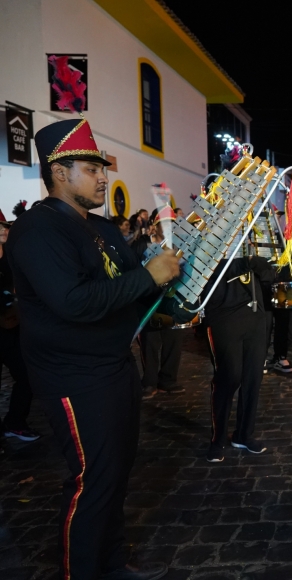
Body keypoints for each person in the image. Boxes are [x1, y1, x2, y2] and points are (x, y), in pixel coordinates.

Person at [7, 118, 183, 580]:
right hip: (74, 376)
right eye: (91, 168)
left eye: (102, 168)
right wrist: (149, 277)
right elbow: (73, 302)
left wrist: (168, 302)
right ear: (58, 172)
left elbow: (131, 290)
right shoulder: (38, 230)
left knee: (115, 476)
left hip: (115, 366)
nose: (103, 176)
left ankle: (112, 564)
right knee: (92, 482)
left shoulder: (101, 227)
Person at [204, 251, 275, 462]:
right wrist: (247, 263)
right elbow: (209, 272)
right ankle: (218, 440)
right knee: (229, 377)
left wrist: (264, 265)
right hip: (224, 318)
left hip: (254, 317)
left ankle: (244, 434)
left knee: (253, 378)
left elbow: (267, 276)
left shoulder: (251, 239)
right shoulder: (209, 240)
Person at [136, 207, 187, 398]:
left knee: (173, 341)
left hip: (171, 300)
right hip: (149, 302)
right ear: (154, 226)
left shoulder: (178, 247)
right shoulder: (142, 245)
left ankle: (168, 379)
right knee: (150, 342)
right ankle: (149, 382)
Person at [0, 213, 39, 442]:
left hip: (12, 326)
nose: (4, 230)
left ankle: (15, 421)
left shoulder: (11, 256)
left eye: (5, 226)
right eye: (0, 227)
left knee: (26, 376)